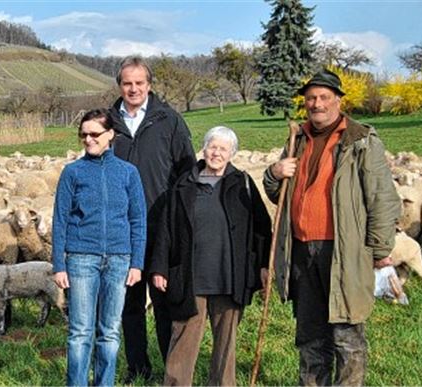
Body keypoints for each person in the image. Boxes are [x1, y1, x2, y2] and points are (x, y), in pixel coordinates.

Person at [263, 69, 400, 386]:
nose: (317, 103)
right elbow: (277, 195)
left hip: (343, 251)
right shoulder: (297, 140)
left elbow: (381, 198)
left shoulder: (360, 141)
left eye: (324, 97)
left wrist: (380, 252)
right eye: (311, 98)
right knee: (310, 334)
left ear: (338, 100)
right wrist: (274, 172)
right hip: (301, 249)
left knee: (346, 333)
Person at [147, 126, 273, 386]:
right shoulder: (184, 185)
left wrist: (263, 265)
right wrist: (159, 267)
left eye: (223, 149)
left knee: (226, 343)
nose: (216, 153)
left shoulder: (243, 184)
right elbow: (166, 230)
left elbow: (262, 229)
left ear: (232, 154)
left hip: (230, 277)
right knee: (183, 338)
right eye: (212, 146)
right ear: (203, 149)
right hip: (190, 276)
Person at [108, 55, 195, 383]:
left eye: (139, 83)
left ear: (149, 85)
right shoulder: (108, 123)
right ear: (120, 85)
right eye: (127, 83)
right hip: (121, 230)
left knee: (163, 304)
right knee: (129, 304)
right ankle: (137, 367)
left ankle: (170, 370)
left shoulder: (168, 120)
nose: (133, 89)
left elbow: (187, 170)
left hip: (161, 228)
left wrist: (181, 221)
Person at [51, 109, 146, 387]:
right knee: (80, 331)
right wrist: (59, 264)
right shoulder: (72, 173)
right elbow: (60, 219)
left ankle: (104, 383)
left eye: (94, 134)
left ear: (111, 135)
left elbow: (137, 219)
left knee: (110, 331)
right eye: (84, 135)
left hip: (119, 259)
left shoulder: (128, 173)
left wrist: (136, 262)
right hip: (81, 258)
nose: (88, 140)